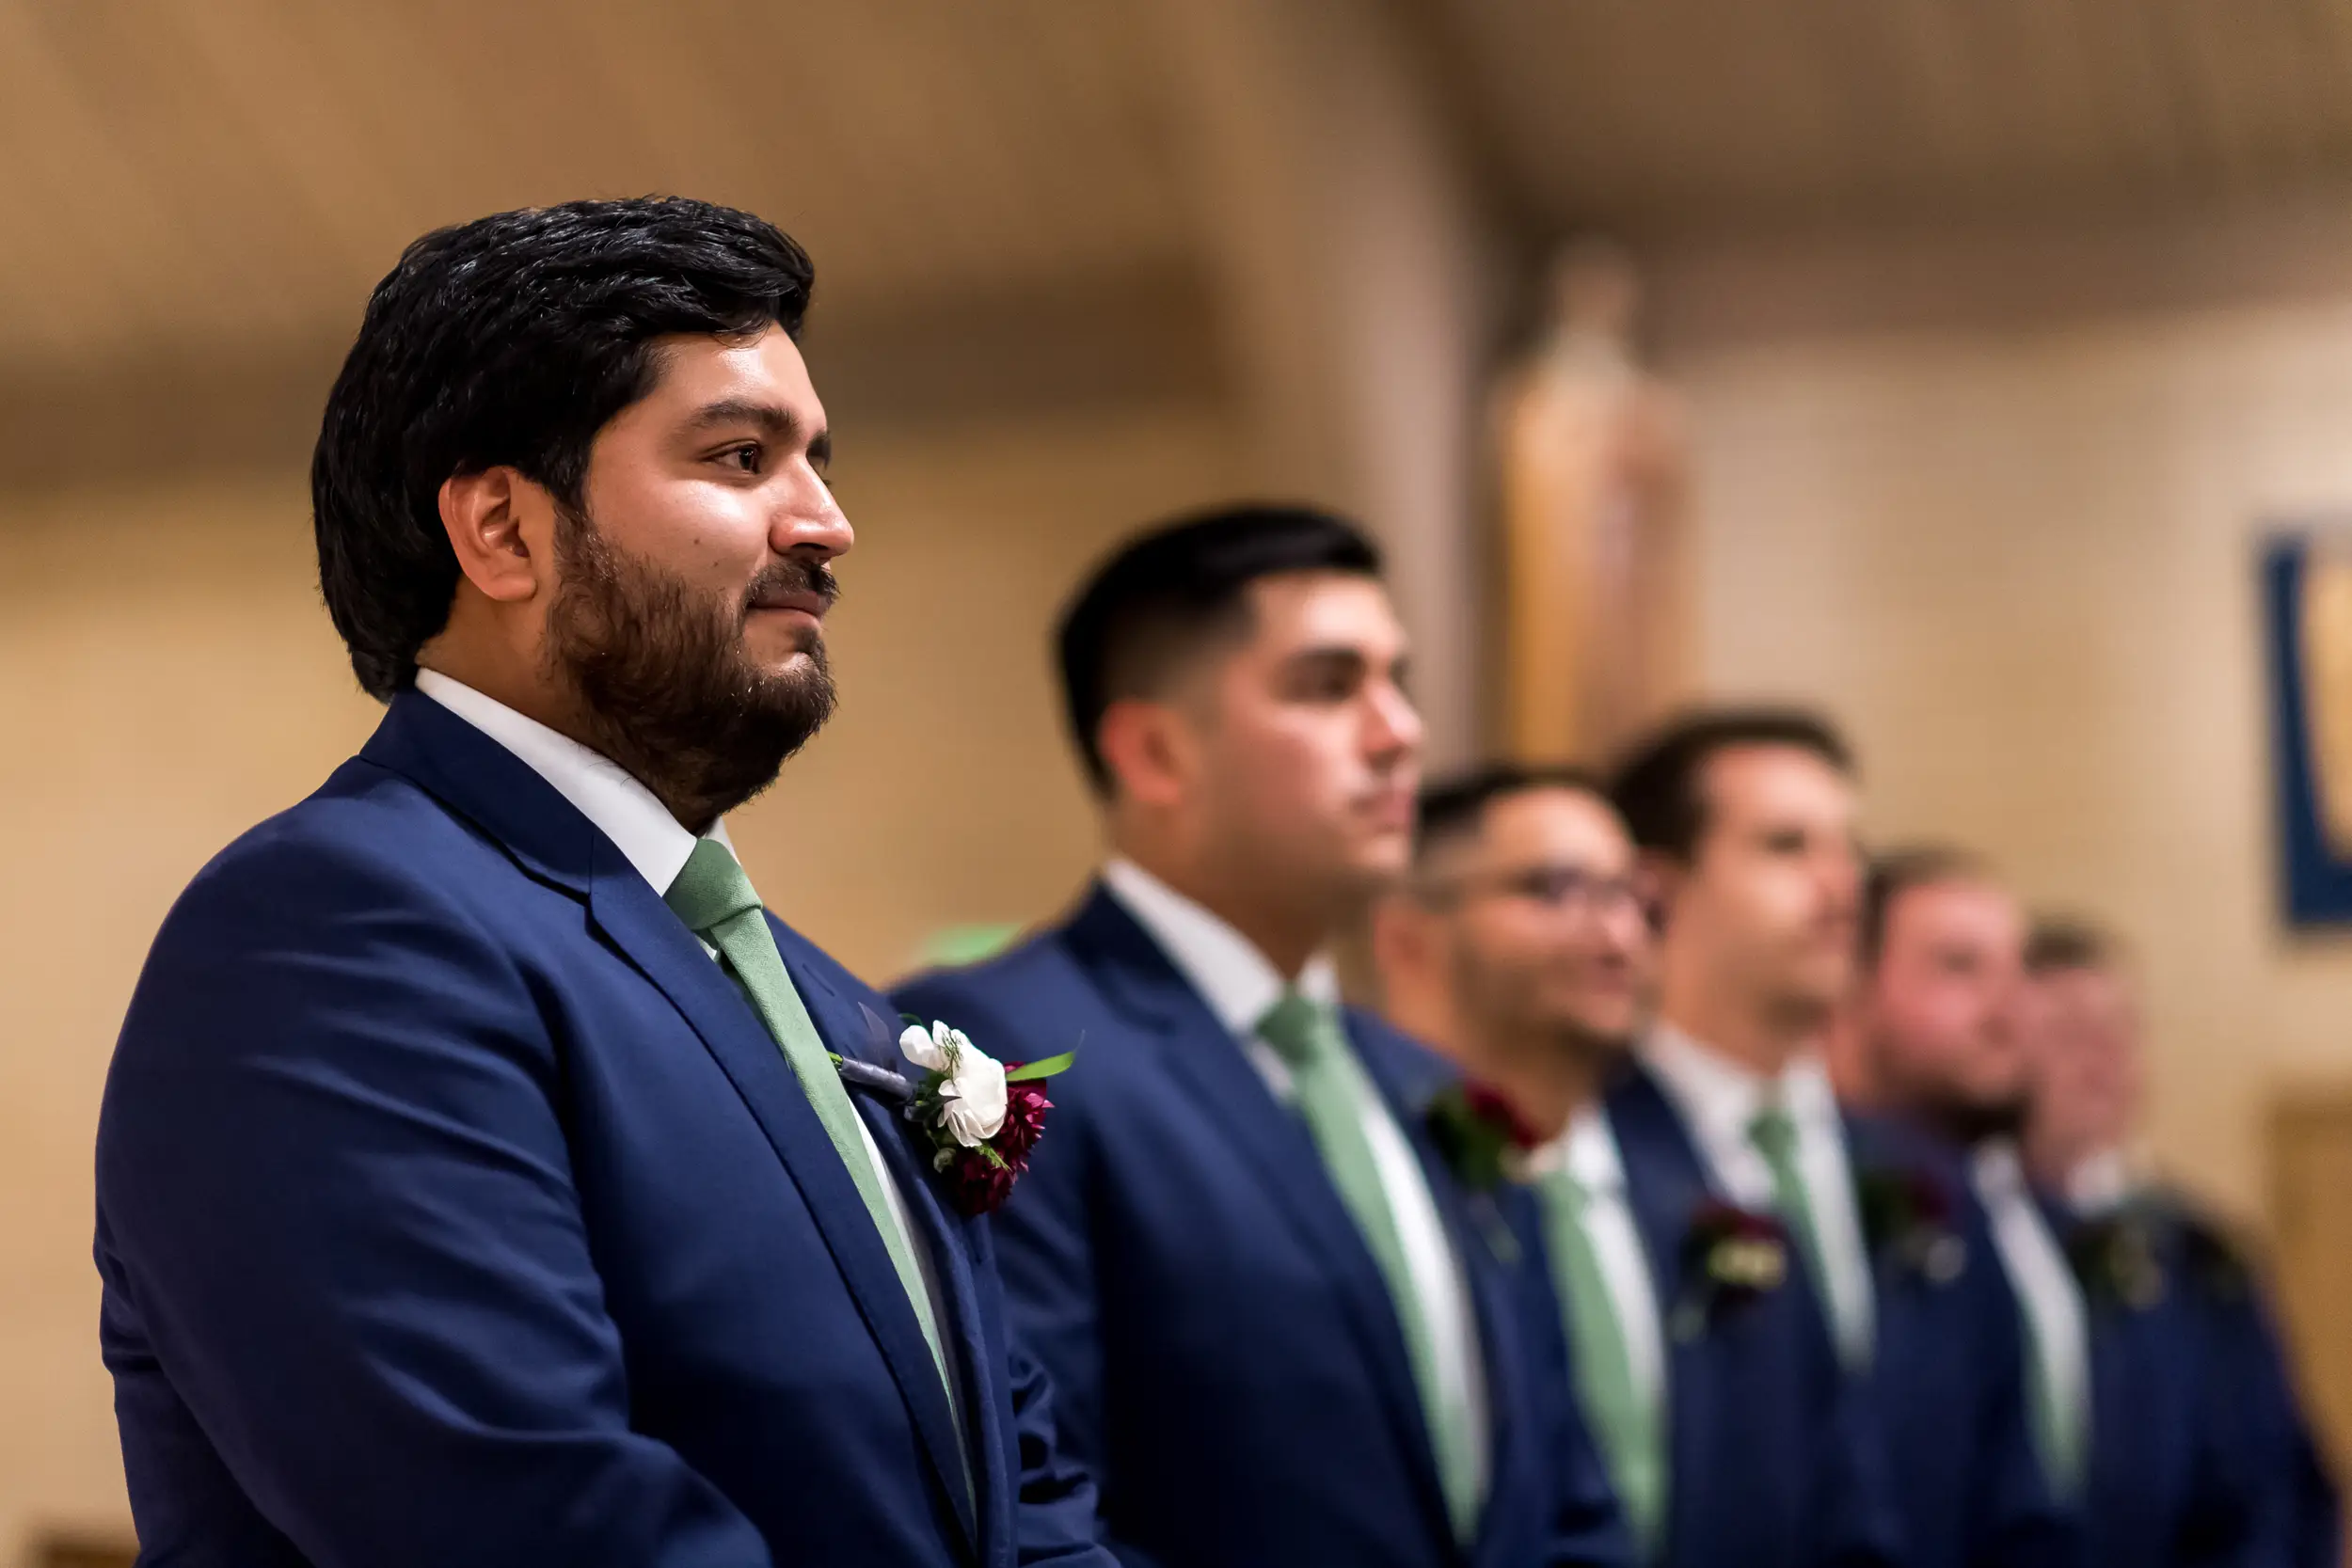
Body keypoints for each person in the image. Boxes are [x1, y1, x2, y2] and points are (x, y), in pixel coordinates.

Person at [94, 198, 1110, 1568]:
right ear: (502, 530)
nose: (828, 523)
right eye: (741, 456)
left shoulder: (829, 1004)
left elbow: (1023, 1500)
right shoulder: (329, 938)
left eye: (817, 461)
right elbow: (520, 1513)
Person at [895, 508, 1629, 1568]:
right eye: (1328, 686)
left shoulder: (1427, 1087)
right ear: (1155, 752)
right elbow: (1033, 1496)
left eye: (1399, 681)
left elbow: (1564, 1481)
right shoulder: (1008, 1052)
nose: (1400, 732)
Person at [1374, 765, 1899, 1568]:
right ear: (1409, 936)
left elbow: (1843, 1521)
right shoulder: (1372, 1188)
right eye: (1557, 889)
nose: (1616, 935)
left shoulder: (1722, 1211)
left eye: (1634, 901)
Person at [1608, 716, 2073, 1568]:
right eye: (1787, 846)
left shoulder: (1933, 1187)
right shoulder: (1599, 1164)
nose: (1841, 884)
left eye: (1849, 848)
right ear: (1658, 890)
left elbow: (2014, 1501)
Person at [2022, 920, 2335, 1567]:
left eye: (2121, 1031)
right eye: (2070, 1035)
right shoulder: (1972, 1242)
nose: (2104, 1059)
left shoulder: (2201, 1248)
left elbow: (2275, 1470)